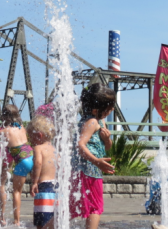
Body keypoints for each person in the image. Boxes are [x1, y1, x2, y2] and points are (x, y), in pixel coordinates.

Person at [70, 83, 115, 229]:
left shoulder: (100, 121)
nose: (112, 110)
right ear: (96, 109)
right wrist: (97, 161)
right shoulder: (91, 122)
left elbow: (107, 148)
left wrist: (107, 139)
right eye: (109, 108)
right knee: (95, 208)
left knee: (73, 209)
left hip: (90, 171)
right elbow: (80, 145)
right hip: (88, 171)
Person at [0, 104, 34, 226]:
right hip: (32, 157)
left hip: (22, 162)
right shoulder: (21, 127)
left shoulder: (5, 131)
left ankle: (16, 221)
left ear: (4, 116)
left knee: (16, 192)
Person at [28, 115, 58, 229]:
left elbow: (38, 164)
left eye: (31, 137)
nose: (31, 141)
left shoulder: (38, 148)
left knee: (42, 223)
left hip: (44, 188)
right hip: (57, 189)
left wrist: (35, 182)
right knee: (53, 223)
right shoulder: (55, 149)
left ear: (39, 135)